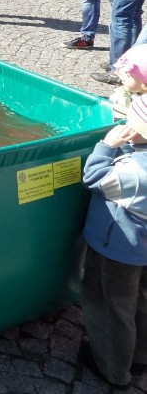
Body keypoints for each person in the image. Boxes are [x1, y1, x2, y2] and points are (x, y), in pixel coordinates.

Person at [78, 95, 147, 388]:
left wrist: (107, 145)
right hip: (141, 250)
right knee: (141, 303)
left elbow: (94, 177)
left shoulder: (133, 173)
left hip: (116, 251)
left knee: (110, 307)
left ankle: (112, 368)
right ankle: (141, 355)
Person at [107, 44, 147, 108]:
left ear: (144, 84)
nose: (122, 77)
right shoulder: (124, 95)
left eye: (128, 75)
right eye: (123, 73)